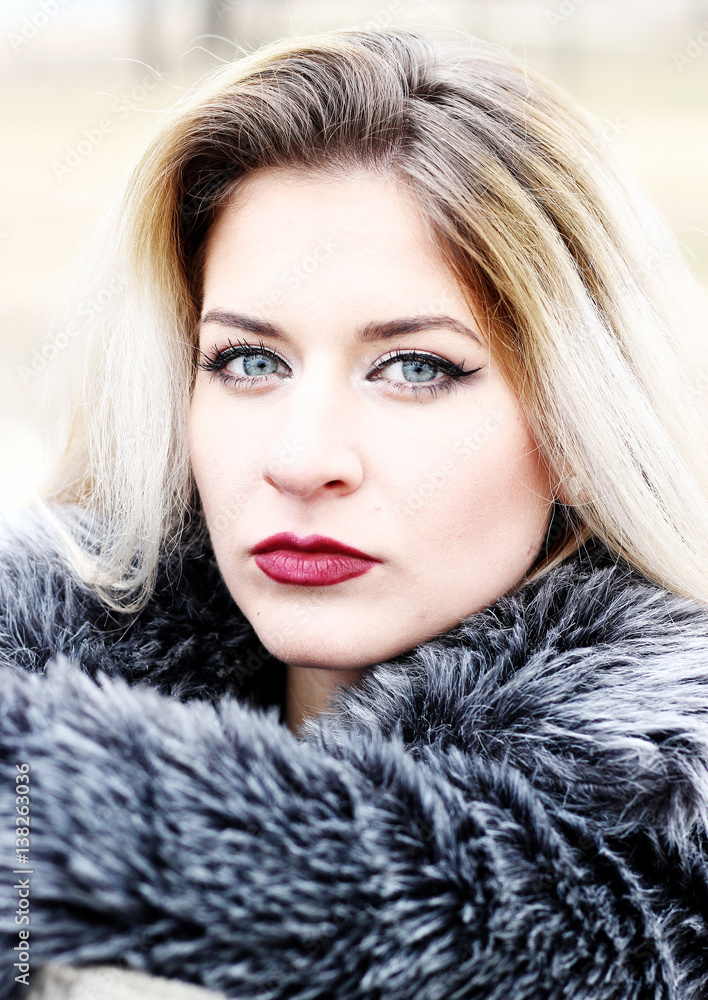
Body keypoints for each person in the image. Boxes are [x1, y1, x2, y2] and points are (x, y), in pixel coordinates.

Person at [2, 23, 708, 1000]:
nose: (302, 460)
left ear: (583, 430)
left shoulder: (642, 891)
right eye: (249, 360)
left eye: (415, 368)